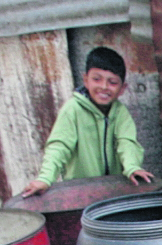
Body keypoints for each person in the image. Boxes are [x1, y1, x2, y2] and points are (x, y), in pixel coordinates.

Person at [22, 47, 155, 197]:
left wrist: (132, 167)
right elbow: (59, 147)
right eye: (96, 79)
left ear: (123, 88)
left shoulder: (120, 113)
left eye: (112, 82)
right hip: (80, 192)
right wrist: (45, 178)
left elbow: (127, 142)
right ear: (85, 80)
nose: (104, 87)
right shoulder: (72, 110)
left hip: (114, 190)